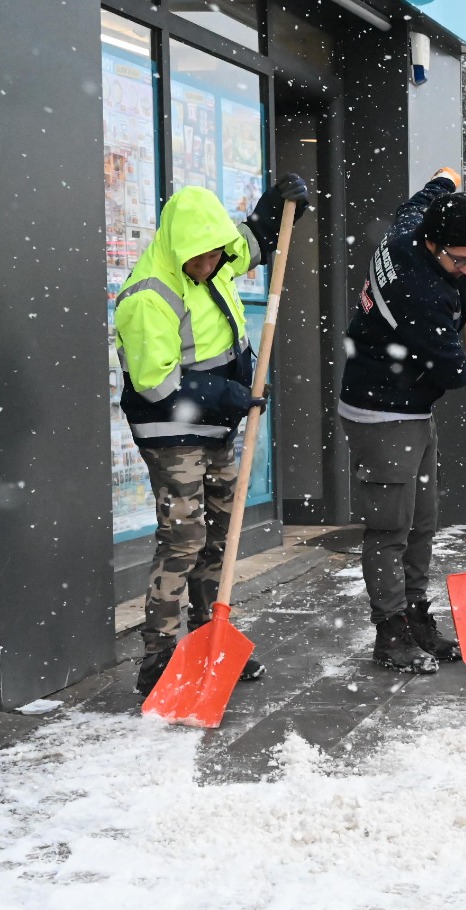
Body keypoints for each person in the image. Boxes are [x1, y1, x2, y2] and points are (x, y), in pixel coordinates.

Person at [117, 175, 311, 696]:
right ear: (178, 248)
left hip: (217, 423)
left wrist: (280, 205)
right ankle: (158, 656)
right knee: (184, 538)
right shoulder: (147, 296)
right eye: (198, 258)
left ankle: (209, 637)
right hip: (171, 431)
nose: (208, 266)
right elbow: (156, 385)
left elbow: (253, 240)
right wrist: (229, 394)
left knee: (222, 532)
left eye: (213, 255)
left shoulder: (218, 256)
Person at [341, 167, 466, 673]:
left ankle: (414, 613)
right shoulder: (419, 291)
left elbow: (419, 201)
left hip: (411, 406)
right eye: (459, 260)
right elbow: (449, 367)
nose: (465, 270)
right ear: (432, 244)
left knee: (423, 519)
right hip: (381, 410)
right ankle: (391, 632)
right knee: (390, 527)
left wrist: (443, 181)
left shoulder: (409, 228)